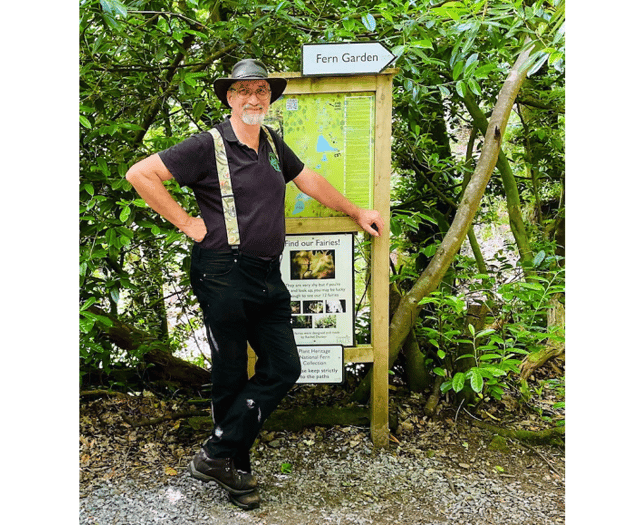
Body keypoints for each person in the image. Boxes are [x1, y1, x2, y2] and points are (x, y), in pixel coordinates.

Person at [125, 58, 384, 510]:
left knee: (284, 367)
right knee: (229, 374)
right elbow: (140, 174)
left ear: (269, 98)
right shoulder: (208, 145)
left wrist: (357, 212)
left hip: (267, 272)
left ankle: (215, 454)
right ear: (229, 96)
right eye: (243, 90)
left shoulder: (270, 141)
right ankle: (235, 472)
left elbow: (310, 181)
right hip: (222, 271)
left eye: (261, 90)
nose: (253, 98)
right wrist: (188, 222)